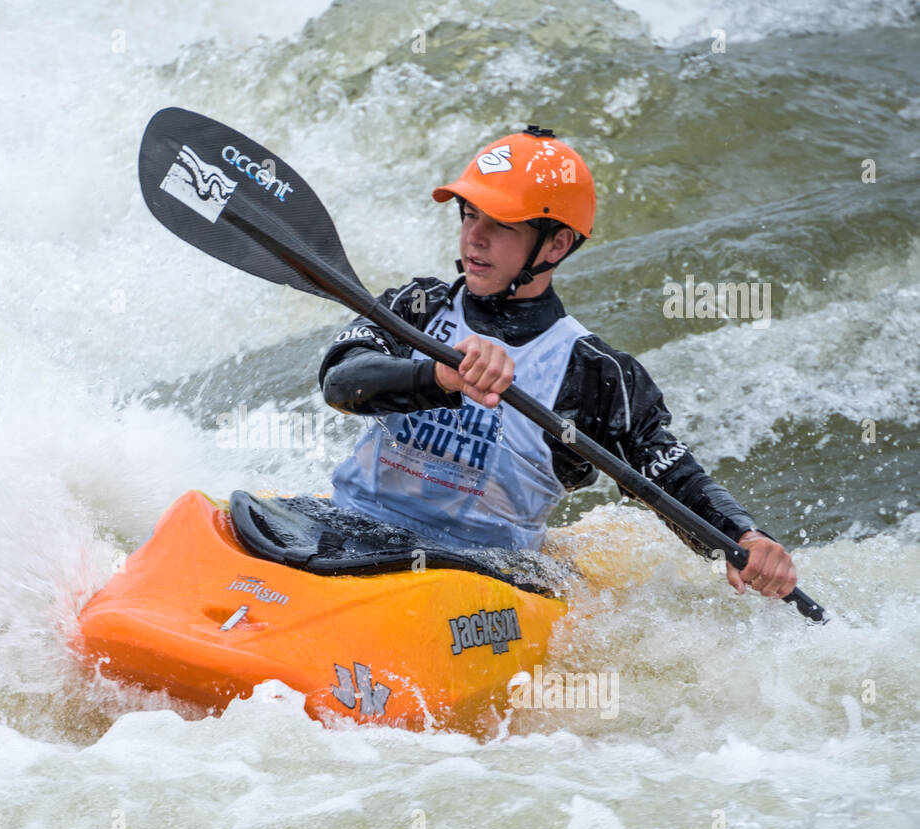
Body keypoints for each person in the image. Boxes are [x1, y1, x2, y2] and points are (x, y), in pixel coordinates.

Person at [319, 125, 796, 599]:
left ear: (556, 245)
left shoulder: (592, 372)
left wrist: (743, 537)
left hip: (478, 575)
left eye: (501, 224)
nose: (474, 238)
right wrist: (438, 376)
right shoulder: (417, 307)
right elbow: (341, 382)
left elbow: (668, 475)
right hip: (352, 528)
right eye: (469, 215)